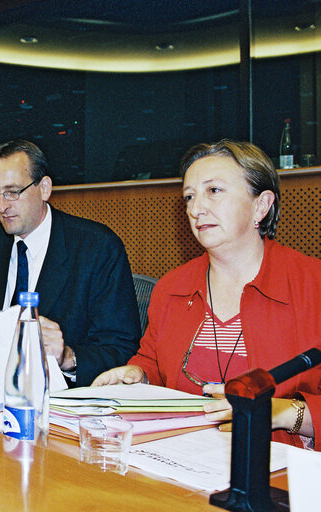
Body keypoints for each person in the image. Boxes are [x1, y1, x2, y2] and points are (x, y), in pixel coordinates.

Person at [93, 140, 321, 450]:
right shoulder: (172, 288)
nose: (196, 208)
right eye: (189, 196)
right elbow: (152, 364)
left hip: (280, 476)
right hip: (181, 460)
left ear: (261, 205)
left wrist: (284, 412)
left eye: (213, 191)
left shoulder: (312, 284)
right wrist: (137, 376)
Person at [0, 139, 141, 387]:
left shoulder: (97, 247)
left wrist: (68, 357)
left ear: (44, 188)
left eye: (13, 192)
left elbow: (121, 347)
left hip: (63, 399)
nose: (2, 206)